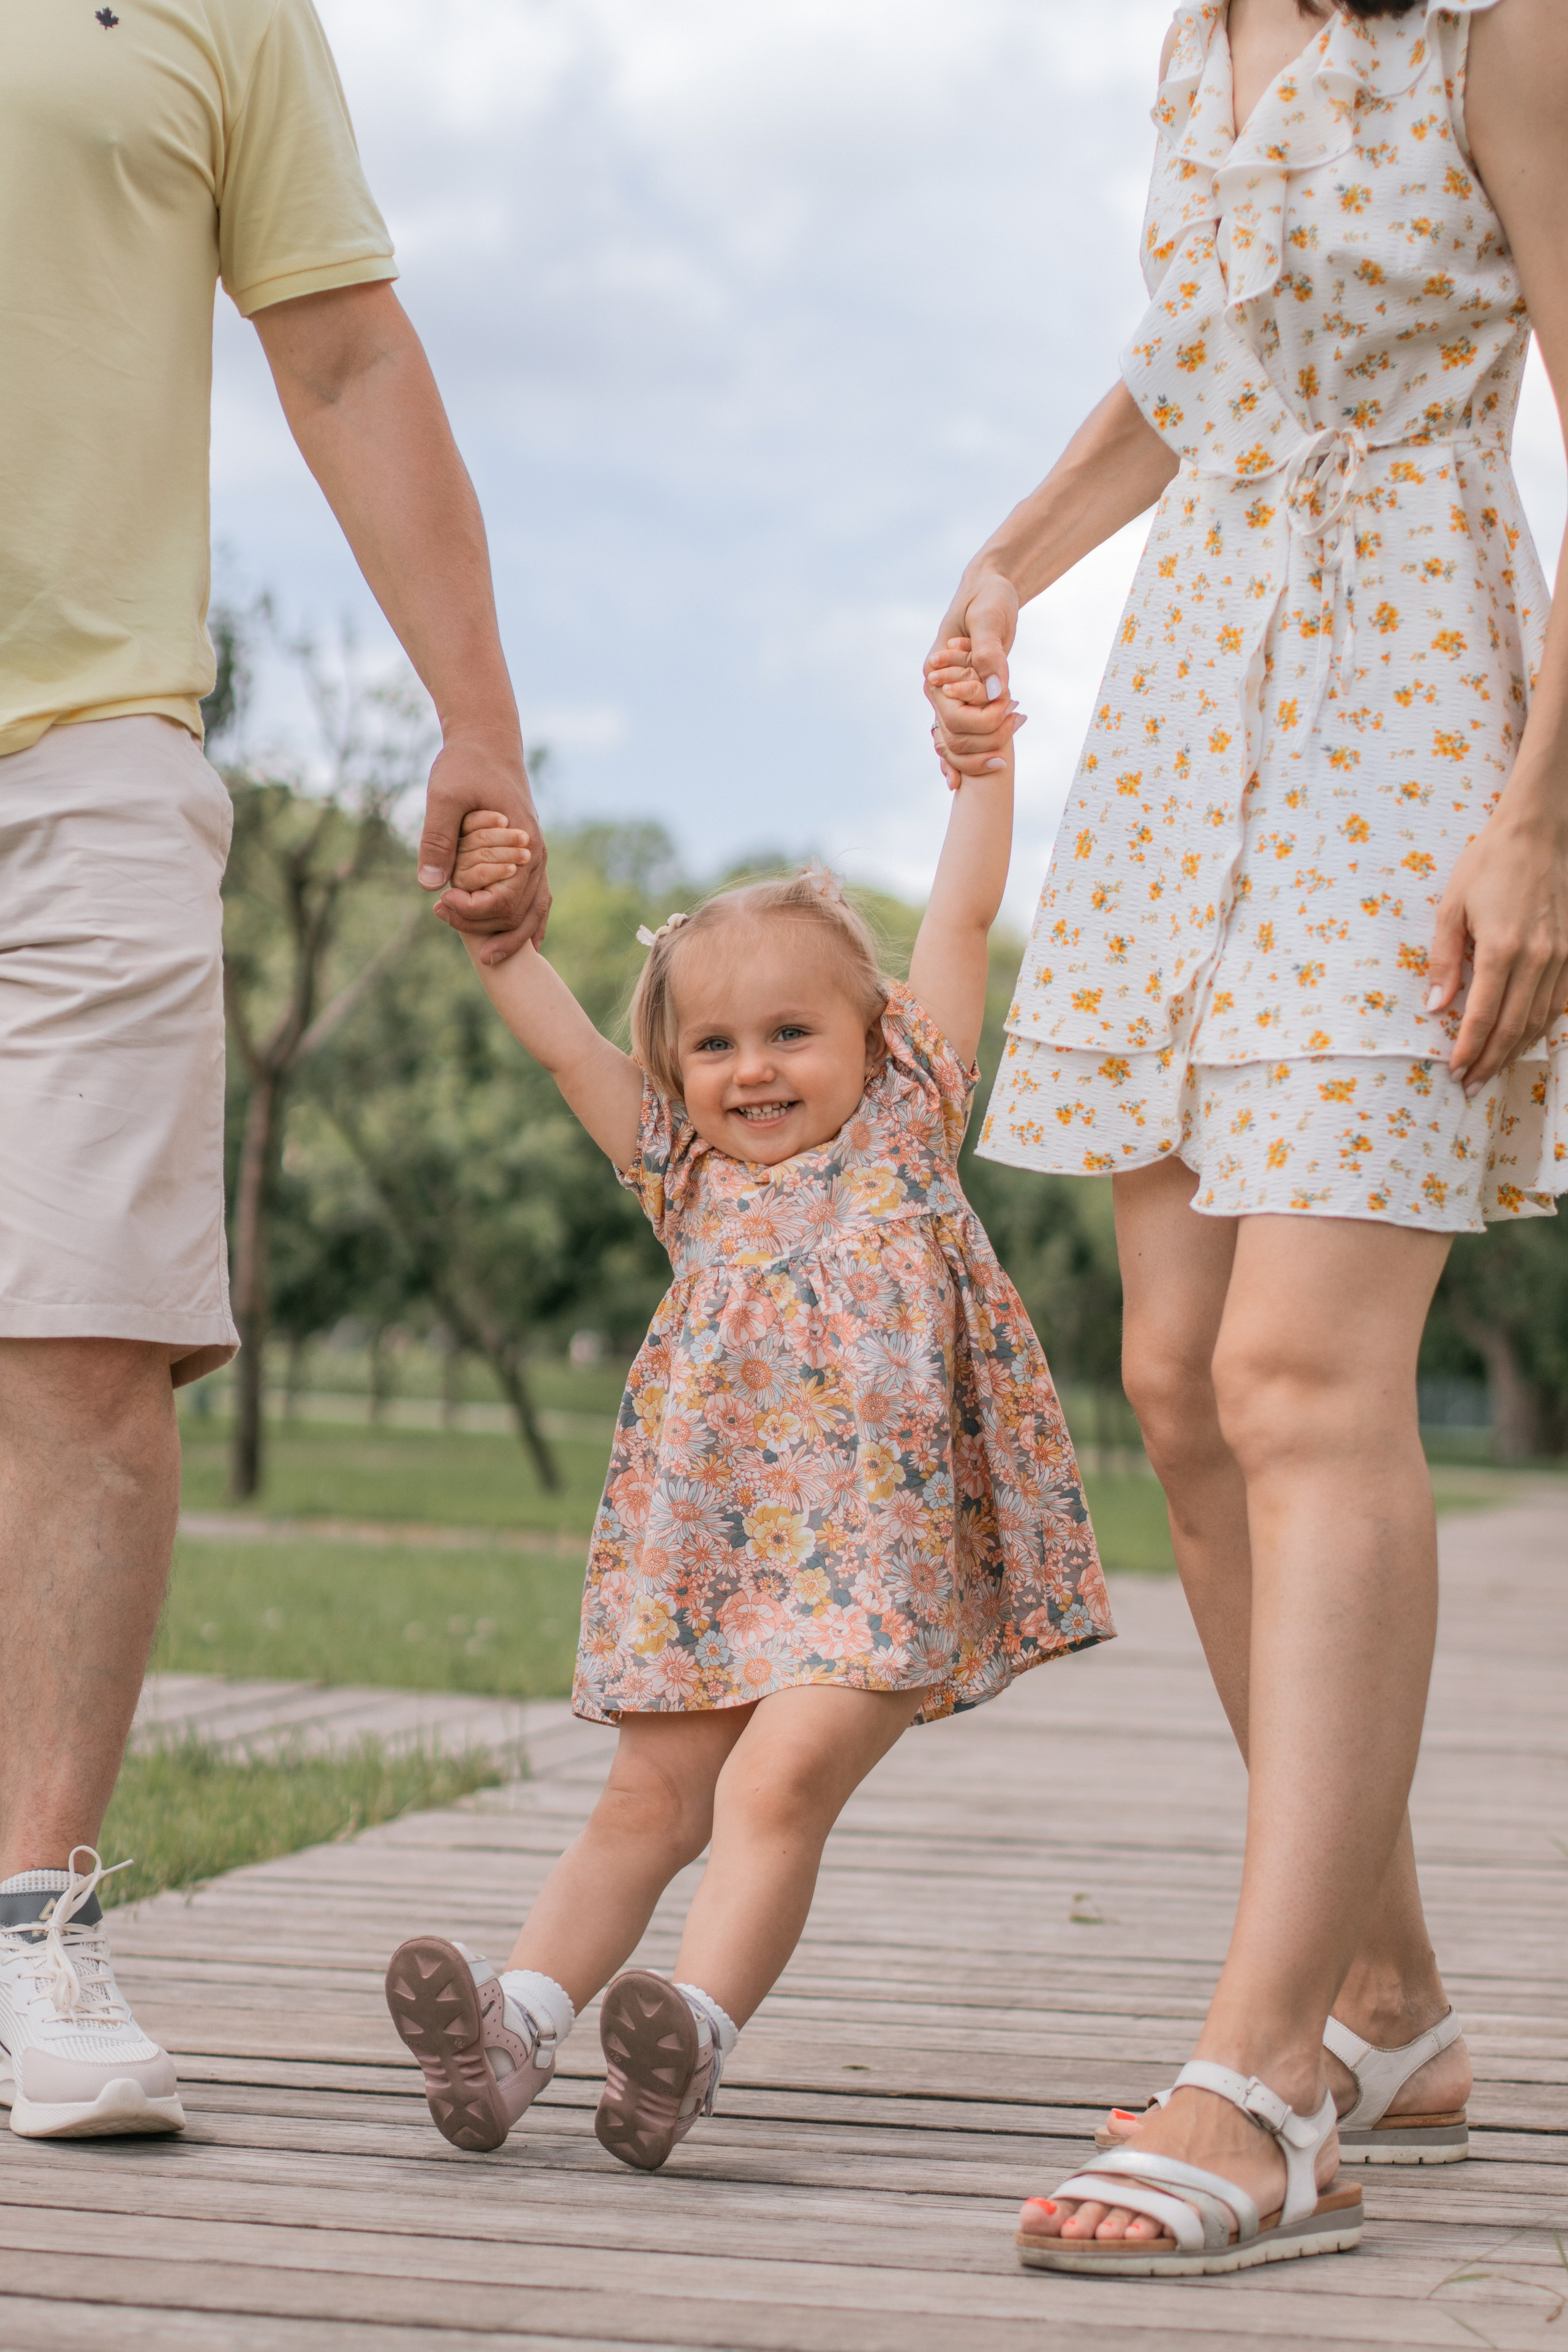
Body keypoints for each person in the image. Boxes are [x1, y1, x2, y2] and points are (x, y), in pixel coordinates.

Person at [925, 0, 1568, 2278]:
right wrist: (1017, 555)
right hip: (1195, 722)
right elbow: (1193, 373)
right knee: (1186, 1387)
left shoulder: (1502, 37)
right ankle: (1392, 2001)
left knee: (1309, 1376)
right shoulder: (1200, 54)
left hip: (1415, 736)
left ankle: (1269, 2070)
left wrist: (1540, 822)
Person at [0, 0, 546, 2140]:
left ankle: (26, 1922)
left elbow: (341, 350)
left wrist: (476, 710)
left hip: (92, 752)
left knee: (88, 1334)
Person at [383, 743, 1114, 2171]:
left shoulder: (909, 1131)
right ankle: (513, 2030)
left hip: (876, 1586)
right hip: (713, 1575)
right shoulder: (687, 1181)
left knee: (770, 1792)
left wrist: (982, 770)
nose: (752, 1070)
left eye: (790, 1033)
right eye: (712, 1047)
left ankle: (686, 2041)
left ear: (873, 1037)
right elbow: (567, 1049)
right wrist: (497, 950)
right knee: (647, 1801)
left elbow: (961, 918)